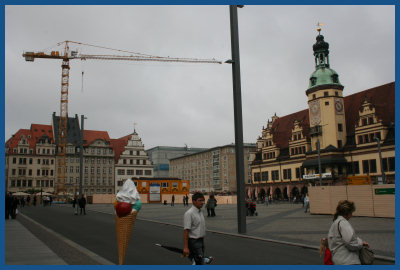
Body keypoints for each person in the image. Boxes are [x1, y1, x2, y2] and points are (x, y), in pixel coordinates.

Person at [327, 200, 369, 265]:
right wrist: (361, 243)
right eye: (351, 212)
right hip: (348, 260)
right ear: (347, 213)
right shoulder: (343, 223)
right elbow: (351, 243)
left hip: (338, 259)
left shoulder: (335, 223)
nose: (351, 215)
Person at [183, 192, 213, 265]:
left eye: (203, 200)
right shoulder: (189, 213)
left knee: (198, 262)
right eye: (200, 200)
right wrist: (186, 247)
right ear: (194, 201)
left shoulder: (200, 212)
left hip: (201, 241)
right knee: (199, 262)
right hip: (194, 242)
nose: (202, 202)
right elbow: (186, 231)